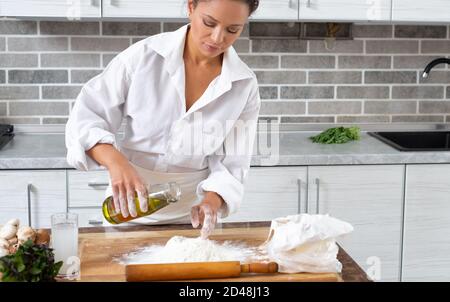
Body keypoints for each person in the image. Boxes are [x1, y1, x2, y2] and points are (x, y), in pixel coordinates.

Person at [65, 0, 261, 238]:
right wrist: (116, 162)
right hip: (126, 210)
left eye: (233, 30)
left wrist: (211, 202)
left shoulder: (243, 85)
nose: (218, 38)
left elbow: (233, 164)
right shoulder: (144, 57)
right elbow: (85, 118)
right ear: (191, 7)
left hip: (192, 222)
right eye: (209, 23)